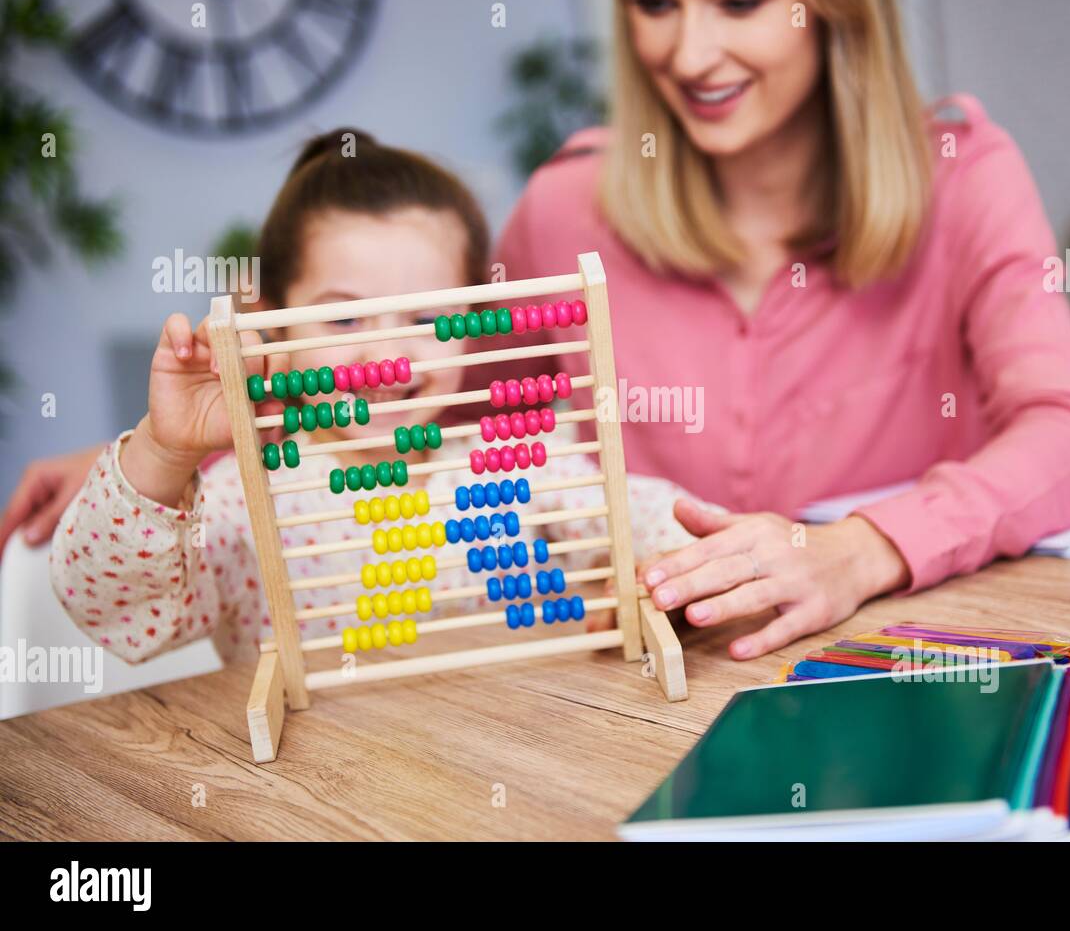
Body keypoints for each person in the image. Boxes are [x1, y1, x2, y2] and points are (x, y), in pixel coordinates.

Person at [5, 0, 1070, 664]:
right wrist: (146, 457)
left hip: (866, 641)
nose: (686, 54)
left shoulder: (962, 178)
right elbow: (420, 404)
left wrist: (856, 550)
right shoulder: (567, 206)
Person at [44, 130, 697, 663]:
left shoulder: (518, 468)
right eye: (346, 319)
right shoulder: (245, 501)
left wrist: (661, 572)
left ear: (472, 324)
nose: (387, 357)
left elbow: (642, 512)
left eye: (423, 319)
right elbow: (118, 611)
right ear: (271, 326)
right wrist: (163, 452)